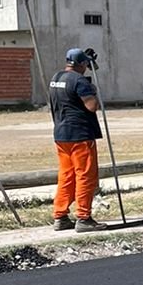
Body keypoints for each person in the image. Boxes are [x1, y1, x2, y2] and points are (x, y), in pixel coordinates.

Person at [49, 48, 107, 232]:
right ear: (82, 64)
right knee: (85, 176)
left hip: (61, 133)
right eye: (86, 65)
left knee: (66, 175)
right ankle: (83, 217)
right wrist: (93, 91)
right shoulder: (79, 81)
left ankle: (60, 216)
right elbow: (92, 106)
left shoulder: (56, 78)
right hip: (80, 134)